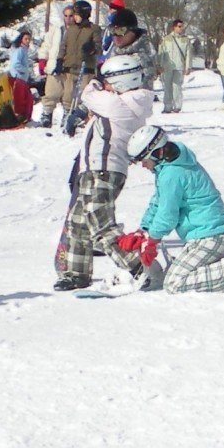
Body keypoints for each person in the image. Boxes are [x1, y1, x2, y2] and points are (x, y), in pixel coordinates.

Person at [52, 52, 154, 290]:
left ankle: (138, 264)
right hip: (97, 169)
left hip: (103, 170)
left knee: (100, 224)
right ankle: (75, 273)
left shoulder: (119, 105)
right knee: (78, 222)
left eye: (108, 81)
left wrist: (95, 83)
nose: (105, 86)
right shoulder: (128, 103)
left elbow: (88, 95)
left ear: (122, 82)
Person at [114, 125, 224, 292]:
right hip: (205, 235)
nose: (143, 166)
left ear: (156, 153)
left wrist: (152, 240)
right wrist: (143, 230)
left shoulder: (172, 174)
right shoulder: (170, 166)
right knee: (174, 277)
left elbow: (167, 216)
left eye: (144, 161)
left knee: (174, 284)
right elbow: (157, 203)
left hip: (210, 236)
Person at [40, 1, 98, 130]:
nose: (71, 18)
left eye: (75, 14)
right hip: (69, 67)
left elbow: (99, 47)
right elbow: (62, 46)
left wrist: (92, 49)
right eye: (67, 15)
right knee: (61, 93)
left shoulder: (93, 29)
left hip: (84, 67)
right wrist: (59, 60)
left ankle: (75, 115)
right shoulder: (70, 29)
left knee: (75, 94)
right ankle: (51, 114)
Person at [157, 18, 193, 113]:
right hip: (167, 67)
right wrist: (159, 65)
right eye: (179, 26)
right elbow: (161, 52)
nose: (181, 28)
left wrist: (188, 67)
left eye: (182, 27)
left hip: (179, 67)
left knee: (177, 87)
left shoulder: (186, 40)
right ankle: (167, 107)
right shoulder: (166, 39)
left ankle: (177, 106)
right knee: (167, 87)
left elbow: (188, 54)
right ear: (174, 27)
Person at [5, 30, 38, 123]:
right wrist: (25, 70)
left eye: (29, 39)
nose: (28, 41)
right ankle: (20, 117)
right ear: (21, 40)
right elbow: (15, 64)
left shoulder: (23, 50)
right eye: (26, 39)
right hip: (18, 78)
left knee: (28, 99)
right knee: (21, 99)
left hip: (22, 79)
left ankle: (26, 117)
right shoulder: (19, 50)